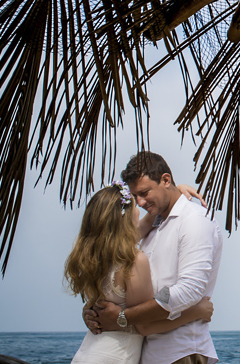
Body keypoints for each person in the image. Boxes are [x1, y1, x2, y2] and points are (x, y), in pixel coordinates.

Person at [87, 152, 224, 364]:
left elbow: (189, 290)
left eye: (144, 193)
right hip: (147, 352)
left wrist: (122, 317)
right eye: (135, 197)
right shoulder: (153, 223)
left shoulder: (194, 221)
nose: (140, 202)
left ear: (165, 180)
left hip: (180, 351)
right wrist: (94, 311)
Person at [65, 182, 214, 364]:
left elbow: (148, 221)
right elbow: (144, 325)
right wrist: (195, 312)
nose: (141, 208)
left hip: (89, 353)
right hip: (116, 357)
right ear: (125, 216)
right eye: (135, 205)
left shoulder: (95, 256)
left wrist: (175, 192)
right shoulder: (133, 260)